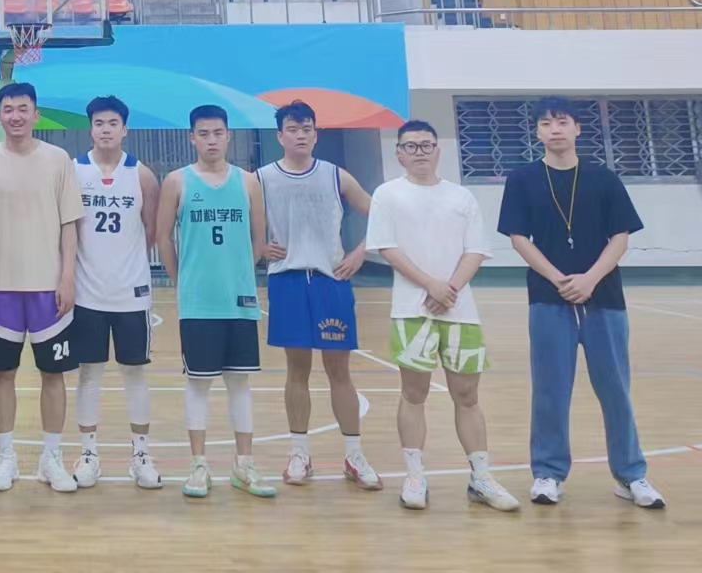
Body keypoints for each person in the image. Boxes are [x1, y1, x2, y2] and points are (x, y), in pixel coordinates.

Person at [497, 96, 664, 509]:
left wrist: (589, 278)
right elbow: (518, 238)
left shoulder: (604, 178)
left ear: (577, 129)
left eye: (562, 122)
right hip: (548, 299)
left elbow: (620, 237)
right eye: (546, 123)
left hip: (603, 298)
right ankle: (548, 473)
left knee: (615, 389)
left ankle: (631, 475)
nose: (554, 129)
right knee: (551, 389)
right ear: (537, 132)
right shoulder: (521, 179)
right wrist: (558, 278)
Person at [366, 120, 518, 511]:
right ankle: (415, 475)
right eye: (411, 146)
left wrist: (448, 289)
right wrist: (430, 285)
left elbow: (475, 250)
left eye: (426, 145)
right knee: (413, 393)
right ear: (399, 153)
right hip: (411, 311)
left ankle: (481, 477)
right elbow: (387, 248)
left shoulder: (461, 196)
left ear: (438, 150)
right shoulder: (387, 194)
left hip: (459, 311)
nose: (419, 152)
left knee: (467, 395)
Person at [258, 100, 379, 490]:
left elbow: (383, 215)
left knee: (339, 371)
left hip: (331, 280)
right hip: (287, 280)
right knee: (297, 370)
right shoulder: (261, 178)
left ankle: (354, 455)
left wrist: (359, 254)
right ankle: (300, 454)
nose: (301, 135)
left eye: (307, 128)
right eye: (293, 129)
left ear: (316, 134)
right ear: (280, 136)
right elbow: (239, 220)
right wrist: (258, 246)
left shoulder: (335, 176)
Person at [158, 104, 275, 500]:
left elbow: (258, 238)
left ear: (228, 136)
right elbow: (162, 238)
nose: (211, 140)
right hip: (198, 302)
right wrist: (182, 281)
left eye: (218, 132)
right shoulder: (177, 181)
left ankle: (244, 464)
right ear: (192, 138)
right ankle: (199, 464)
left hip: (238, 299)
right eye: (204, 133)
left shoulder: (248, 182)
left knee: (239, 382)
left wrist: (240, 273)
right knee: (199, 382)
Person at [0, 82, 83, 494]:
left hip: (48, 288)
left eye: (23, 108)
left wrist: (67, 276)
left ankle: (51, 458)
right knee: (2, 373)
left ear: (36, 114)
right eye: (8, 109)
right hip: (0, 288)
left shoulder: (58, 160)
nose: (16, 115)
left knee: (53, 374)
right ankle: (5, 456)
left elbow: (69, 224)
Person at [70, 95, 161, 490]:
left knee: (135, 373)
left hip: (131, 294)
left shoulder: (142, 175)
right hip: (86, 292)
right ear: (90, 129)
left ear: (124, 129)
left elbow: (150, 231)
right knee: (88, 373)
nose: (105, 129)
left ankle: (140, 454)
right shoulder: (74, 171)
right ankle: (89, 452)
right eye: (99, 123)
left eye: (112, 123)